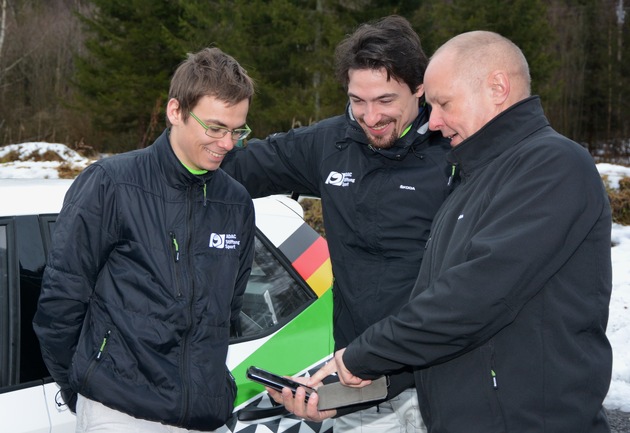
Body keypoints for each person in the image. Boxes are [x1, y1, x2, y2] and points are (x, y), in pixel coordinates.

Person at [301, 30, 613, 432]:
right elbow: (444, 326)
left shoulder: (552, 166)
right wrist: (350, 390)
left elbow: (473, 300)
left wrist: (362, 355)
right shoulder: (468, 179)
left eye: (444, 103)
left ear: (498, 88)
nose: (434, 122)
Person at [221, 15, 450, 433]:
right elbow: (238, 167)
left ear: (420, 88)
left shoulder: (455, 153)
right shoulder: (332, 143)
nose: (370, 116)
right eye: (357, 100)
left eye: (384, 100)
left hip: (439, 389)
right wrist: (153, 168)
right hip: (357, 390)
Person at [32, 47, 257, 432]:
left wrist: (215, 389)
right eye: (216, 128)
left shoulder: (235, 202)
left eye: (238, 130)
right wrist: (86, 388)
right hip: (119, 412)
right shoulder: (111, 184)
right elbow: (60, 303)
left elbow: (228, 312)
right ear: (175, 111)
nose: (227, 143)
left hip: (204, 417)